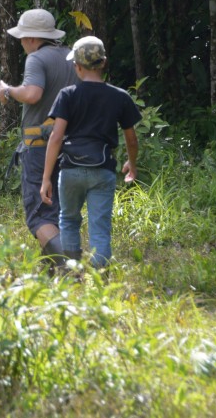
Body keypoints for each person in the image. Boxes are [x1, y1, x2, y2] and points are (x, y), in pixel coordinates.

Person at [40, 35, 141, 268]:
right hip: (102, 169)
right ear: (103, 63)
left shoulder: (67, 94)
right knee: (100, 227)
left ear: (76, 66)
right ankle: (100, 279)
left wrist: (46, 178)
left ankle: (71, 273)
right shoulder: (120, 96)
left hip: (71, 169)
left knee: (68, 220)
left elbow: (56, 137)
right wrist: (132, 165)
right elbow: (132, 139)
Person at [0, 9, 77, 271]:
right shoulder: (72, 55)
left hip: (40, 146)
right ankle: (53, 269)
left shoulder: (37, 59)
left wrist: (7, 90)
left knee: (39, 215)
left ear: (29, 38)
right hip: (71, 144)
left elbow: (32, 94)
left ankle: (70, 269)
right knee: (61, 211)